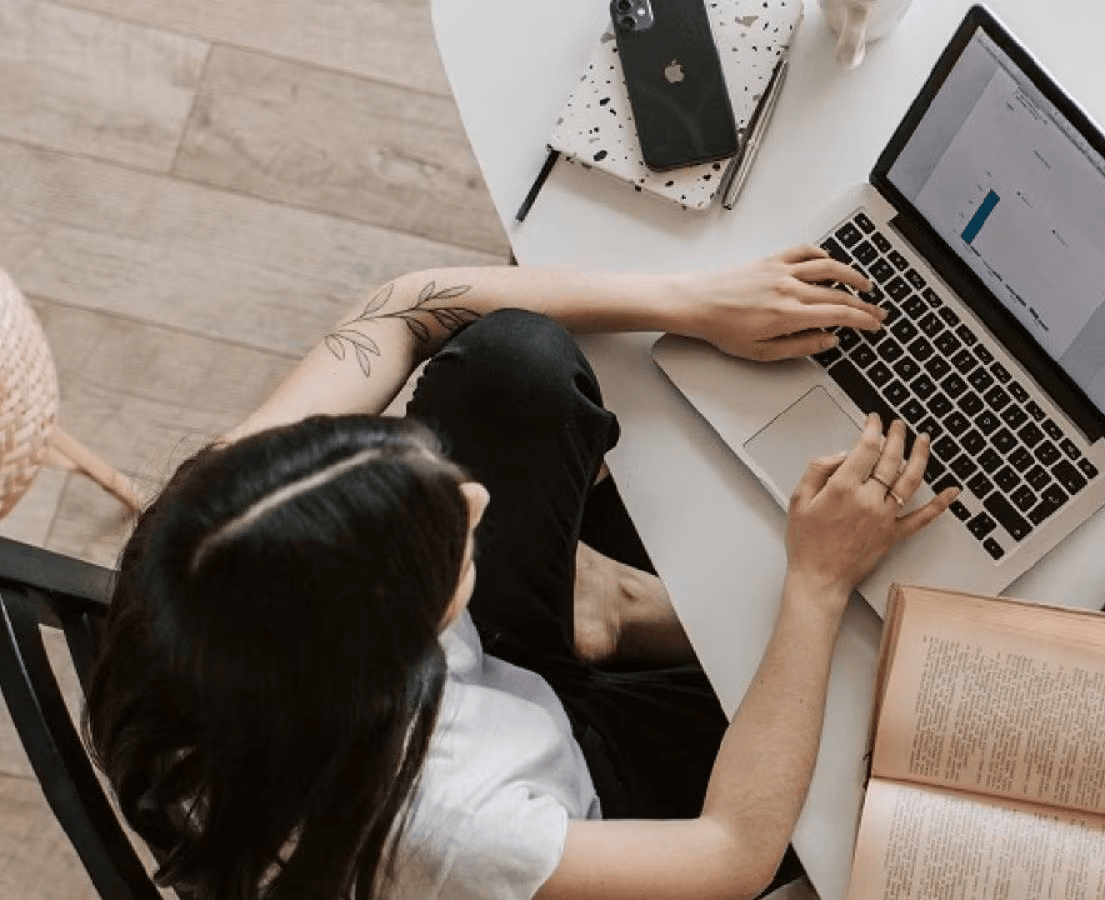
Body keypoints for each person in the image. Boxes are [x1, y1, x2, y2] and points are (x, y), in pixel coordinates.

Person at [83, 246, 957, 900]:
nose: (472, 497)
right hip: (582, 792)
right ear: (398, 653)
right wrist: (815, 582)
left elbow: (398, 311)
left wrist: (691, 302)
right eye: (448, 539)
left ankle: (604, 608)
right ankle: (615, 614)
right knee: (877, 730)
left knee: (513, 361)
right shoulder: (455, 825)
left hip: (479, 693)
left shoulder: (223, 516)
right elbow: (731, 853)